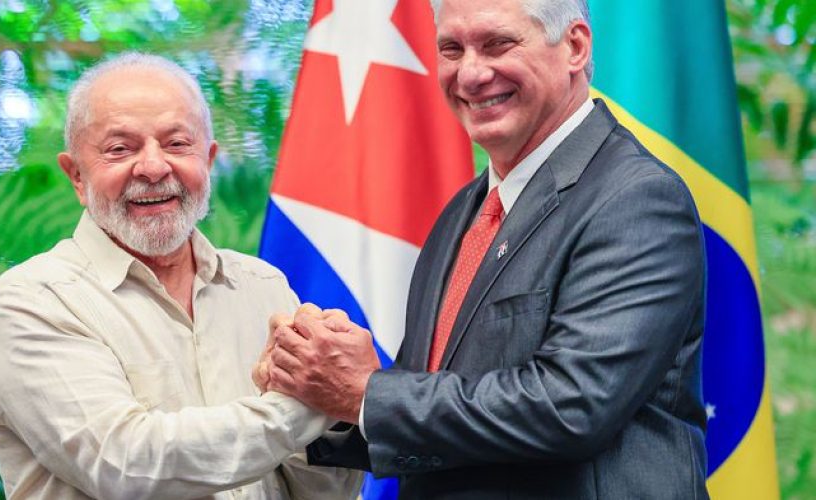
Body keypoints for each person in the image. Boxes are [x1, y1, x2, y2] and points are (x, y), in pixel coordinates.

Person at [260, 0, 709, 498]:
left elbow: (571, 406)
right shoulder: (463, 212)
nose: (470, 74)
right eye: (452, 49)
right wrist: (317, 393)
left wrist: (367, 392)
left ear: (575, 47)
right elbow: (437, 411)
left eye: (498, 44)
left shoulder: (636, 198)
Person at [0, 52, 362, 499]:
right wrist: (317, 402)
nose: (154, 167)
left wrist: (335, 423)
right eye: (120, 149)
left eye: (178, 144)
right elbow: (126, 465)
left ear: (210, 160)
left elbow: (315, 493)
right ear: (76, 176)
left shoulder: (264, 286)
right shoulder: (33, 301)